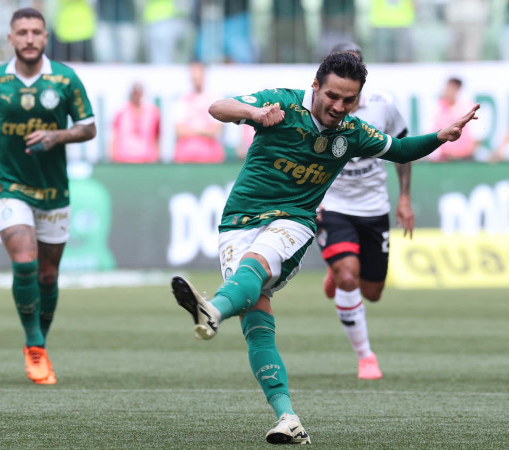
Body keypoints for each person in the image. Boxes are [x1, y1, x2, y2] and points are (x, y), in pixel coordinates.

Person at [170, 51, 478, 444]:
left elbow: (400, 150)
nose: (339, 106)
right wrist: (252, 113)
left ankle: (211, 310)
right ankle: (288, 417)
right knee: (256, 323)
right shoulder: (282, 102)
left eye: (349, 100)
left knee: (256, 265)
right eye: (332, 95)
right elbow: (218, 106)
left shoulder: (352, 132)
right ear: (315, 86)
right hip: (237, 222)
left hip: (294, 221)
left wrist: (442, 136)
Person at [0, 7, 96, 385]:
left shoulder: (65, 79)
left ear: (45, 37)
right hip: (7, 182)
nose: (28, 38)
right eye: (21, 32)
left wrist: (57, 136)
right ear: (10, 38)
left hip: (53, 189)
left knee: (47, 273)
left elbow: (88, 127)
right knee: (25, 262)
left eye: (36, 32)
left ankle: (39, 341)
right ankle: (34, 344)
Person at [316, 42, 413, 381]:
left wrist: (404, 198)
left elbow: (402, 147)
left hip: (373, 207)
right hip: (333, 204)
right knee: (347, 276)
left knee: (371, 292)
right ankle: (366, 357)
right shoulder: (318, 104)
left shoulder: (382, 104)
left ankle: (340, 271)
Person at [172, 62, 224, 163]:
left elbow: (215, 131)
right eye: (193, 76)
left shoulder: (214, 100)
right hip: (185, 154)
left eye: (198, 76)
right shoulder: (183, 99)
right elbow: (178, 131)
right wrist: (202, 131)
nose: (196, 80)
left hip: (210, 155)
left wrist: (192, 131)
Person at [427, 77, 478, 162]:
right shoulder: (438, 107)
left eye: (451, 88)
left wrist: (466, 155)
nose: (447, 91)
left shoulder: (467, 107)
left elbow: (477, 137)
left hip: (465, 159)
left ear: (457, 89)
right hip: (442, 159)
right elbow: (430, 132)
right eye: (447, 88)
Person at [109, 82, 160, 163]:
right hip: (124, 160)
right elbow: (114, 136)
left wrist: (157, 156)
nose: (137, 96)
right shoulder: (121, 111)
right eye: (135, 93)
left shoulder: (152, 111)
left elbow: (157, 137)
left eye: (139, 93)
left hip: (147, 160)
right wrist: (112, 156)